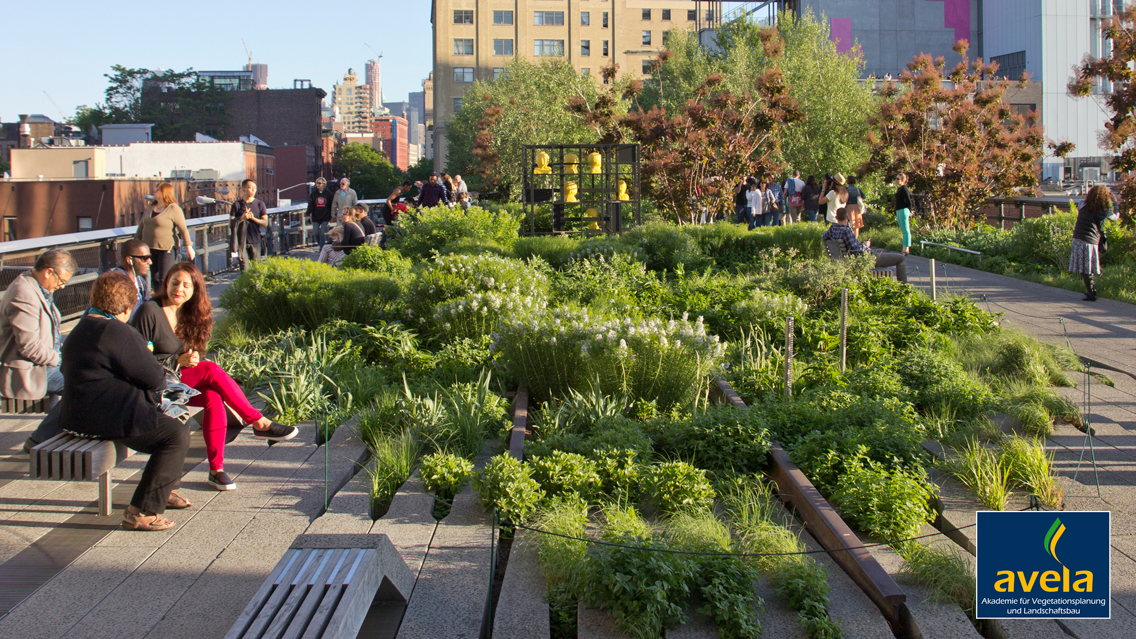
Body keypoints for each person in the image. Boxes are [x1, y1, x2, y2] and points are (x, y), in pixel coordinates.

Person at [133, 262, 298, 491]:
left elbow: (193, 356)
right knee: (210, 371)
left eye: (186, 285)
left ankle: (216, 470)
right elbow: (135, 360)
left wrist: (191, 360)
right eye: (174, 282)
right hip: (153, 386)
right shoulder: (149, 311)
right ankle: (258, 422)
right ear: (166, 283)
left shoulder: (190, 314)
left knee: (212, 397)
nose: (179, 289)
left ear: (195, 291)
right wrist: (175, 362)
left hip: (178, 383)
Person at [59, 271, 192, 531]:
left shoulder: (81, 328)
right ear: (129, 307)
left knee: (175, 423)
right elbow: (153, 377)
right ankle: (142, 511)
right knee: (175, 434)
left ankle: (161, 491)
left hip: (77, 414)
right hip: (106, 417)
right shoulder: (117, 331)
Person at [3, 249, 76, 452]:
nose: (61, 286)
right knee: (82, 386)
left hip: (42, 362)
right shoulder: (23, 292)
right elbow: (29, 347)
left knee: (87, 376)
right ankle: (41, 440)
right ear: (48, 272)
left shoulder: (35, 286)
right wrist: (60, 359)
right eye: (61, 281)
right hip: (28, 368)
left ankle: (58, 432)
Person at [823, 206, 908, 282]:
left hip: (849, 259)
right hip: (866, 258)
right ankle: (904, 288)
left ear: (836, 217)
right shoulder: (846, 231)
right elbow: (856, 250)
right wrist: (866, 244)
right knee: (901, 258)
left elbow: (823, 237)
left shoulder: (832, 229)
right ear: (847, 217)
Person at [136, 183, 195, 290]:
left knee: (164, 277)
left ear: (165, 193)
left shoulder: (173, 209)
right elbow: (142, 225)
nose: (155, 191)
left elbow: (183, 229)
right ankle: (159, 300)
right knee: (154, 277)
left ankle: (167, 300)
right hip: (149, 247)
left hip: (166, 248)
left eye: (158, 190)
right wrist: (136, 241)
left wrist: (188, 246)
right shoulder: (151, 206)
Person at [1070, 184, 1120, 301]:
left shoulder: (1082, 205)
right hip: (1091, 241)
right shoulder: (1104, 210)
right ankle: (1091, 292)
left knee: (1084, 268)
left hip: (1078, 239)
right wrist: (1115, 203)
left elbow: (1080, 208)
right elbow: (1115, 218)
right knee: (1089, 268)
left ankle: (1090, 292)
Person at [231, 179, 268, 272]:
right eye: (250, 188)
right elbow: (231, 223)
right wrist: (241, 218)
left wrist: (253, 218)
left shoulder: (260, 204)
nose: (253, 190)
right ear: (243, 189)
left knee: (257, 270)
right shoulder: (236, 205)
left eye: (255, 188)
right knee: (244, 270)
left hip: (255, 240)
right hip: (242, 242)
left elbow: (265, 223)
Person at [111, 239, 151, 319]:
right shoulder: (116, 284)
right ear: (129, 260)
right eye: (144, 258)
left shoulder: (141, 282)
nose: (150, 262)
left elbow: (148, 309)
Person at [307, 178, 334, 250]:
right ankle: (321, 245)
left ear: (323, 184)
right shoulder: (314, 194)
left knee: (323, 233)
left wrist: (332, 215)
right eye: (317, 183)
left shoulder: (328, 194)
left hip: (325, 216)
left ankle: (321, 249)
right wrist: (307, 214)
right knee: (315, 232)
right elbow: (310, 205)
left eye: (319, 183)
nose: (318, 185)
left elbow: (331, 205)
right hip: (316, 216)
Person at [894, 173, 914, 255]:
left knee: (906, 230)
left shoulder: (904, 188)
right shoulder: (899, 189)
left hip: (903, 210)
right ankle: (904, 248)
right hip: (899, 210)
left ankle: (906, 249)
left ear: (902, 180)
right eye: (896, 178)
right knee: (903, 230)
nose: (896, 180)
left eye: (898, 178)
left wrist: (910, 210)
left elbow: (908, 200)